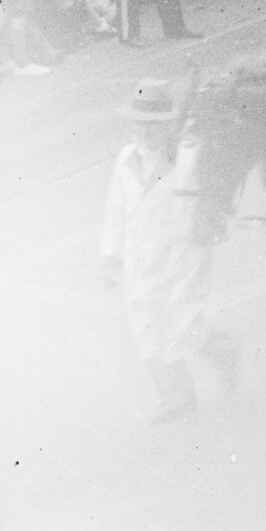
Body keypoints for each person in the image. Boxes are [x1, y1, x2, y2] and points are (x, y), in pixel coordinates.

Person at [101, 77, 236, 422]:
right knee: (145, 324)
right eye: (139, 125)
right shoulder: (125, 160)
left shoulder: (184, 158)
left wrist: (211, 222)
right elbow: (116, 210)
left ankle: (221, 349)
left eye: (153, 126)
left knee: (182, 321)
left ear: (167, 125)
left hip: (181, 253)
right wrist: (110, 257)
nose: (145, 133)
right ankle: (176, 395)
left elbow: (210, 193)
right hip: (139, 258)